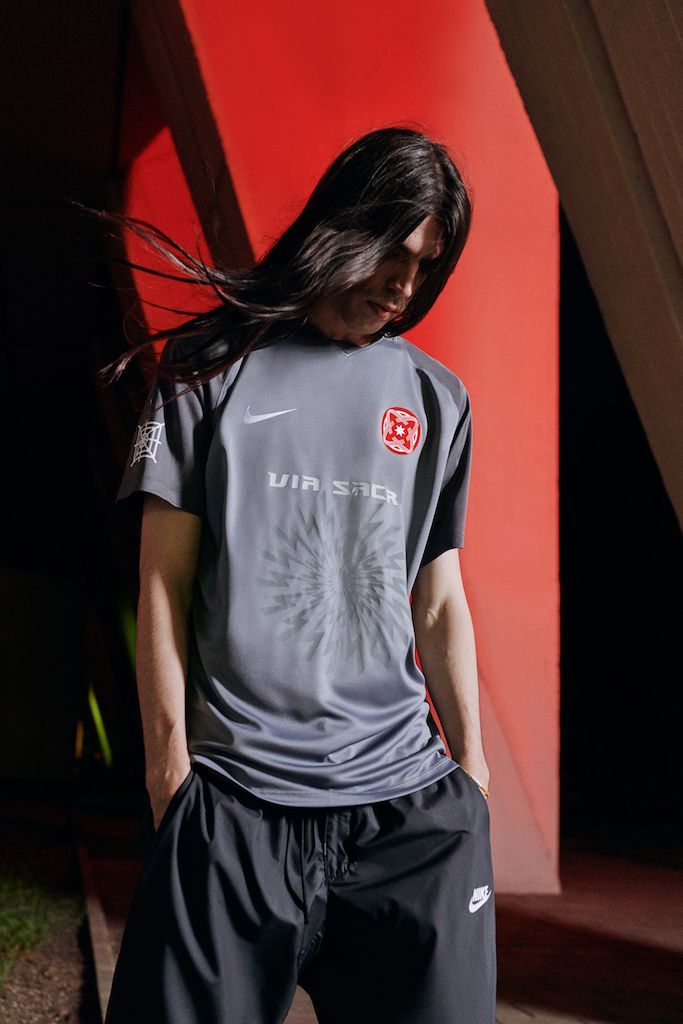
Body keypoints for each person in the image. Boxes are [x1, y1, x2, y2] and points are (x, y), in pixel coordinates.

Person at [103, 126, 496, 1023]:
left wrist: (470, 777)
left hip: (405, 812)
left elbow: (438, 600)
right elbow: (161, 585)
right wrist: (170, 777)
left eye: (425, 266)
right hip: (234, 803)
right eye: (391, 252)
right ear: (341, 225)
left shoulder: (437, 399)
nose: (403, 285)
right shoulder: (207, 366)